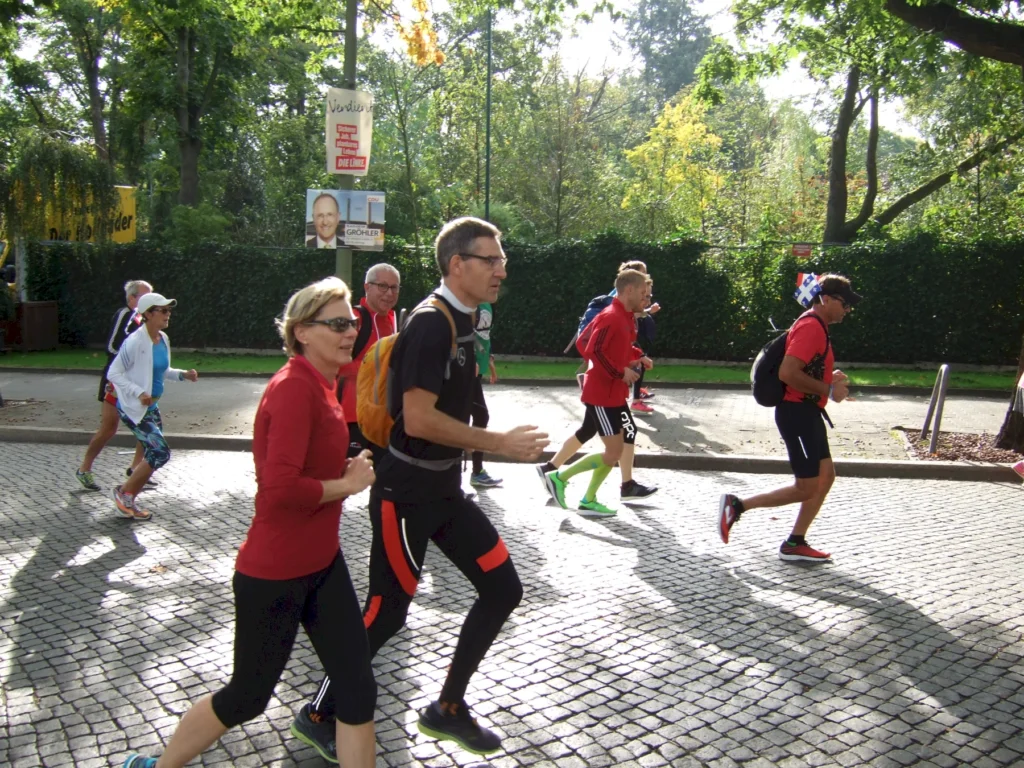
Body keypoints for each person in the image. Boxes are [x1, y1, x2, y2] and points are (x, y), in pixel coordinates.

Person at [290, 217, 548, 759]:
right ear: (459, 265)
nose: (502, 268)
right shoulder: (432, 323)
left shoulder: (463, 320)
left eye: (502, 259)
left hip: (444, 493)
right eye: (491, 259)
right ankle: (319, 713)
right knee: (386, 612)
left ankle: (447, 708)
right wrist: (498, 442)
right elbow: (420, 419)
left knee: (504, 590)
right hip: (404, 495)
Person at [122, 277, 377, 768]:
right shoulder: (293, 389)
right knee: (248, 697)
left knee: (357, 687)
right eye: (339, 323)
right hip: (276, 572)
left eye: (354, 322)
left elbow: (306, 468)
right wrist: (345, 485)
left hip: (322, 563)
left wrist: (341, 471)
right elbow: (279, 490)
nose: (351, 331)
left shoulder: (323, 385)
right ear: (302, 331)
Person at [717, 274, 861, 562]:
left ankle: (796, 541)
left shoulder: (815, 326)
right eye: (845, 303)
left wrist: (825, 379)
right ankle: (737, 506)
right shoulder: (811, 327)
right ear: (827, 299)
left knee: (826, 477)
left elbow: (802, 369)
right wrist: (829, 390)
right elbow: (788, 373)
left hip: (806, 412)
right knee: (806, 486)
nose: (848, 310)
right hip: (798, 414)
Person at [541, 270, 652, 516]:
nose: (646, 299)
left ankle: (589, 498)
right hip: (602, 395)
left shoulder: (624, 317)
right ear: (629, 290)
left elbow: (615, 348)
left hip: (614, 394)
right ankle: (559, 477)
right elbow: (595, 350)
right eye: (643, 294)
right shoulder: (611, 316)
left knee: (622, 440)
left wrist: (637, 357)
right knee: (613, 450)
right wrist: (620, 373)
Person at [106, 293, 198, 520]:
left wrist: (183, 375)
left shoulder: (162, 339)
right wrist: (138, 393)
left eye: (169, 310)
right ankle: (124, 494)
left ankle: (126, 493)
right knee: (159, 452)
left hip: (151, 407)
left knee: (154, 453)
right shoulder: (135, 342)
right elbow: (113, 373)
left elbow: (163, 371)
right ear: (148, 314)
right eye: (163, 310)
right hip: (133, 409)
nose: (168, 315)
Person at [75, 280, 151, 491]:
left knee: (145, 425)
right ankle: (84, 469)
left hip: (136, 383)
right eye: (144, 297)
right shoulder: (125, 315)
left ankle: (136, 468)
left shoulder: (144, 320)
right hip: (115, 381)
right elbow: (112, 346)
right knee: (109, 428)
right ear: (132, 299)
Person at [337, 263, 400, 458]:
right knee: (343, 480)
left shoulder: (392, 319)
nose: (389, 293)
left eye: (394, 287)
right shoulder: (354, 318)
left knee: (385, 482)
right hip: (352, 416)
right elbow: (335, 361)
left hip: (383, 417)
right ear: (367, 287)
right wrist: (376, 369)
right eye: (382, 286)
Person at [469, 300, 502, 487]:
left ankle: (476, 471)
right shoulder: (471, 302)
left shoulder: (487, 304)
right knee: (478, 416)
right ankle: (473, 472)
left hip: (476, 369)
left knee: (478, 417)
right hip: (465, 371)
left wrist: (489, 361)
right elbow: (463, 333)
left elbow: (484, 335)